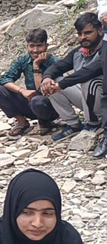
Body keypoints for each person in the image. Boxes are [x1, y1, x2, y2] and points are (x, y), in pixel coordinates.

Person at [0, 29, 76, 140]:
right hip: (31, 104)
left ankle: (44, 123)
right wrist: (22, 90)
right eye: (31, 46)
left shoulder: (54, 62)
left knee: (38, 100)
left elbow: (42, 91)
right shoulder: (23, 60)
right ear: (27, 46)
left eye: (39, 46)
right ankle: (22, 121)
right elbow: (4, 79)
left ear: (46, 46)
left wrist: (36, 66)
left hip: (49, 106)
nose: (35, 50)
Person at [40, 13, 105, 149]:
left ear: (100, 31)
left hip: (104, 100)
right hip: (90, 100)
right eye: (80, 34)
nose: (83, 37)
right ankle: (74, 125)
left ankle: (94, 124)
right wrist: (47, 78)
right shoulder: (78, 52)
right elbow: (58, 66)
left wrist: (61, 85)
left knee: (90, 81)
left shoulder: (105, 49)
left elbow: (90, 71)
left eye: (88, 33)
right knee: (52, 82)